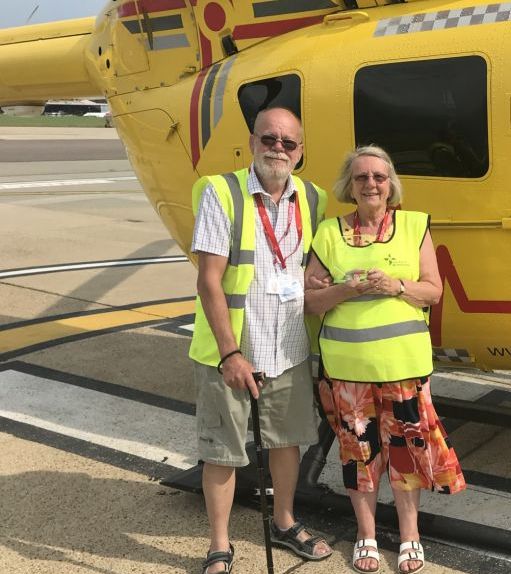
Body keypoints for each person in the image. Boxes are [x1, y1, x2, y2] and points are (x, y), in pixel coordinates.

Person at [304, 145, 466, 574]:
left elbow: (433, 291)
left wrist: (395, 285)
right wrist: (345, 290)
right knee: (359, 455)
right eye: (361, 178)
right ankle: (366, 534)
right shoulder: (328, 233)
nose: (371, 184)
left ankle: (410, 534)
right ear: (349, 186)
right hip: (348, 372)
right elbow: (309, 301)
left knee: (407, 454)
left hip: (404, 370)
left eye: (379, 176)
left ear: (390, 183)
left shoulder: (414, 226)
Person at [189, 107, 334, 574]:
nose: (278, 148)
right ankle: (219, 544)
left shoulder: (312, 198)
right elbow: (209, 280)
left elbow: (309, 269)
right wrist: (231, 353)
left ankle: (285, 522)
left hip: (289, 346)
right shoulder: (222, 192)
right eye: (269, 139)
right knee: (223, 451)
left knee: (286, 442)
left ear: (301, 152)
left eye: (288, 143)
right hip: (232, 351)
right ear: (252, 142)